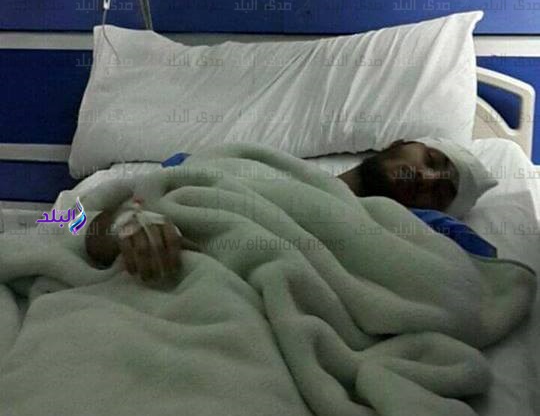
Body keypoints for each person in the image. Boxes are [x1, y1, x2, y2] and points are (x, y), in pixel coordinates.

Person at [85, 138, 497, 284]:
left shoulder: (413, 228)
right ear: (399, 143)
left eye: (440, 191)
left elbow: (479, 276)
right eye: (431, 159)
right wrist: (129, 226)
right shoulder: (244, 164)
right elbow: (92, 234)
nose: (426, 177)